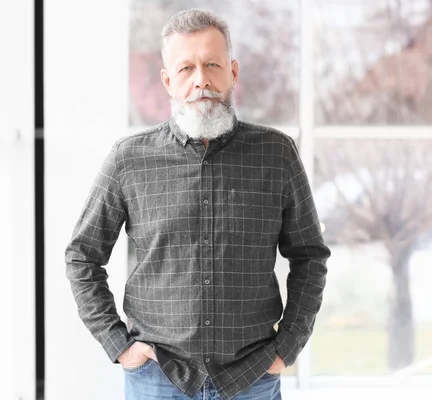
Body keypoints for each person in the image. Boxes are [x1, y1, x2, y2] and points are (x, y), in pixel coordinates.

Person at [65, 8, 330, 400]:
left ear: (233, 72)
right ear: (168, 81)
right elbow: (82, 256)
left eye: (212, 64)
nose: (201, 80)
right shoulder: (129, 159)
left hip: (252, 376)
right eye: (186, 68)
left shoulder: (277, 155)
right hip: (157, 377)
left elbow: (309, 256)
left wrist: (287, 345)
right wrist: (117, 343)